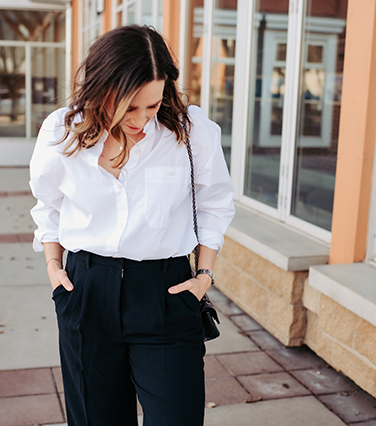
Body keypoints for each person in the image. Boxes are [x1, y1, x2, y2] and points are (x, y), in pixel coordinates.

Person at [29, 25, 235, 426]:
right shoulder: (62, 132)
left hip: (166, 291)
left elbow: (214, 203)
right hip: (86, 289)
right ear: (101, 89)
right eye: (129, 107)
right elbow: (48, 205)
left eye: (153, 105)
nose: (141, 119)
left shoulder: (192, 133)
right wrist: (54, 268)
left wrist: (205, 275)